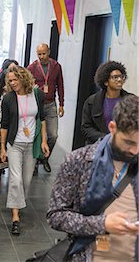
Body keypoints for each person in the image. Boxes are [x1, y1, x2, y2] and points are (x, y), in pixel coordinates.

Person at [47, 95, 139, 261]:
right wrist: (101, 224)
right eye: (129, 142)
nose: (135, 151)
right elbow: (56, 215)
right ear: (112, 127)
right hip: (89, 256)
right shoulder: (79, 161)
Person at [0, 66, 49, 235]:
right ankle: (15, 217)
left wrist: (44, 140)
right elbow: (4, 125)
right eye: (10, 80)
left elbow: (42, 119)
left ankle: (17, 203)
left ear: (23, 78)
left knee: (26, 181)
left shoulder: (37, 95)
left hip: (31, 144)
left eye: (15, 80)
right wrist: (2, 147)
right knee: (15, 180)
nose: (12, 83)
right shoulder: (8, 99)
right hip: (15, 143)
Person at [27, 43, 64, 172]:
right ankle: (36, 160)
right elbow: (27, 85)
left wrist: (61, 104)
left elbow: (60, 85)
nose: (41, 56)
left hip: (51, 104)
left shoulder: (56, 66)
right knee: (36, 134)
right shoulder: (32, 67)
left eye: (44, 53)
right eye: (39, 54)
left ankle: (45, 157)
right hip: (36, 105)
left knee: (53, 135)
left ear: (48, 52)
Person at [81, 61, 132, 145]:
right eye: (115, 77)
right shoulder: (91, 102)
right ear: (106, 82)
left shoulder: (131, 101)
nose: (119, 80)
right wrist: (106, 138)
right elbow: (86, 128)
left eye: (121, 77)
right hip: (98, 145)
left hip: (123, 146)